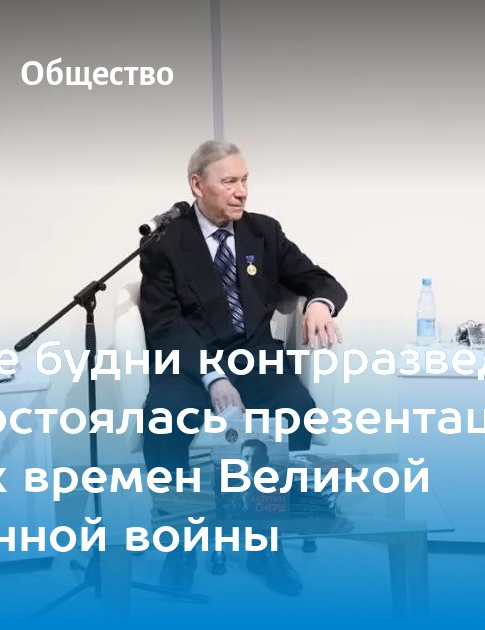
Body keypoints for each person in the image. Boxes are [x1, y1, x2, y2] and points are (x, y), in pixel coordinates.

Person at [139, 140, 347, 596]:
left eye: (245, 180)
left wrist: (319, 303)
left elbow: (321, 279)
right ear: (197, 185)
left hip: (254, 358)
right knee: (163, 419)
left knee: (296, 408)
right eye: (229, 181)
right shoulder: (164, 244)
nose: (242, 191)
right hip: (189, 363)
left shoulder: (263, 232)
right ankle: (179, 545)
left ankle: (266, 543)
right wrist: (213, 376)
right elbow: (165, 324)